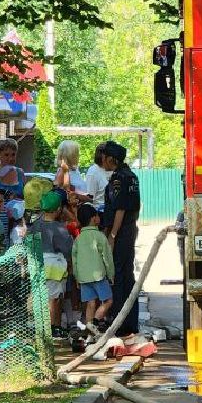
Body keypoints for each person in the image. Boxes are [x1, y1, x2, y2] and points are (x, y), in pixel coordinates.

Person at [100, 141, 142, 335]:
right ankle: (130, 321)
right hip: (130, 229)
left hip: (122, 231)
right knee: (127, 275)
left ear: (110, 159)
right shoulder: (132, 177)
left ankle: (117, 322)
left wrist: (113, 235)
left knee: (116, 275)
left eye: (103, 158)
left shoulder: (118, 179)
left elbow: (120, 208)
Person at [27, 189, 75, 337]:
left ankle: (46, 326)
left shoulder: (34, 225)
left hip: (36, 264)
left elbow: (28, 244)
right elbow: (67, 249)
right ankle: (54, 327)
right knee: (54, 299)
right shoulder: (59, 228)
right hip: (54, 266)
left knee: (43, 296)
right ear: (59, 209)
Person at [72, 202, 115, 350]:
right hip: (98, 276)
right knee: (108, 301)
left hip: (83, 277)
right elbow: (107, 258)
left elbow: (75, 260)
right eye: (96, 215)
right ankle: (95, 322)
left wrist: (77, 277)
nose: (98, 217)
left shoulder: (78, 239)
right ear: (93, 219)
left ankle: (90, 335)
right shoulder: (99, 236)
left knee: (90, 303)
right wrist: (111, 274)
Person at [0, 137, 27, 226]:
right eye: (6, 155)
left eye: (13, 154)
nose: (10, 158)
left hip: (16, 224)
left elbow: (25, 198)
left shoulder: (20, 173)